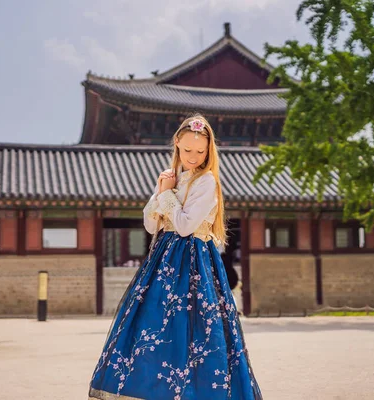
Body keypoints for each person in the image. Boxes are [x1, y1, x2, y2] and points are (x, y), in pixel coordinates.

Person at [88, 114, 262, 400]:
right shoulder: (172, 179)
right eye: (187, 150)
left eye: (200, 151)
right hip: (164, 261)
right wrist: (162, 192)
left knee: (196, 331)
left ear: (209, 151)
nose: (193, 156)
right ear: (177, 145)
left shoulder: (206, 182)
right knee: (155, 325)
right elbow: (150, 224)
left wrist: (166, 196)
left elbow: (183, 226)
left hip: (194, 264)